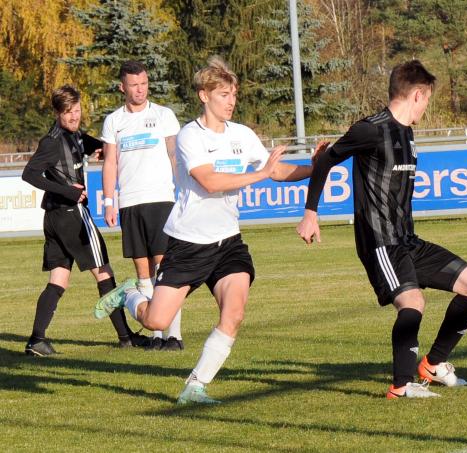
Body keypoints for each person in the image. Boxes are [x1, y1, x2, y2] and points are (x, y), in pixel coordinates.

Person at [94, 57, 313, 404]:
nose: (231, 101)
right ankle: (130, 293)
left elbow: (277, 170)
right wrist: (259, 174)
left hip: (228, 244)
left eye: (234, 94)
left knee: (234, 313)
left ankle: (195, 386)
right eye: (224, 94)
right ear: (204, 95)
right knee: (156, 321)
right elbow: (209, 181)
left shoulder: (242, 134)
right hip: (188, 245)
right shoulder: (189, 136)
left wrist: (317, 165)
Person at [296, 60, 467, 399]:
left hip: (408, 240)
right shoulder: (369, 129)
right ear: (417, 95)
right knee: (412, 302)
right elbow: (326, 159)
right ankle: (401, 386)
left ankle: (433, 364)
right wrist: (310, 213)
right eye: (427, 99)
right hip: (380, 241)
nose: (426, 106)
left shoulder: (407, 133)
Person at [21, 85, 148, 356]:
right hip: (71, 215)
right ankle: (126, 337)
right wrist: (67, 191)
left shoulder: (75, 135)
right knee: (104, 272)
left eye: (77, 110)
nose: (74, 116)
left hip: (55, 217)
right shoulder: (52, 142)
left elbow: (97, 146)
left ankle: (36, 340)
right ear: (58, 113)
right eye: (68, 112)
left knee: (59, 279)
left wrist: (101, 150)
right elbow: (29, 174)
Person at [101, 60, 184, 351]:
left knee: (165, 269)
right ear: (122, 87)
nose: (140, 89)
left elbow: (175, 156)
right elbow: (110, 163)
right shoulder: (114, 121)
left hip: (161, 200)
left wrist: (184, 191)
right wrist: (109, 202)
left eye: (144, 83)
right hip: (130, 203)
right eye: (134, 85)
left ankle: (174, 335)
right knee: (143, 272)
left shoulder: (163, 115)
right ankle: (156, 336)